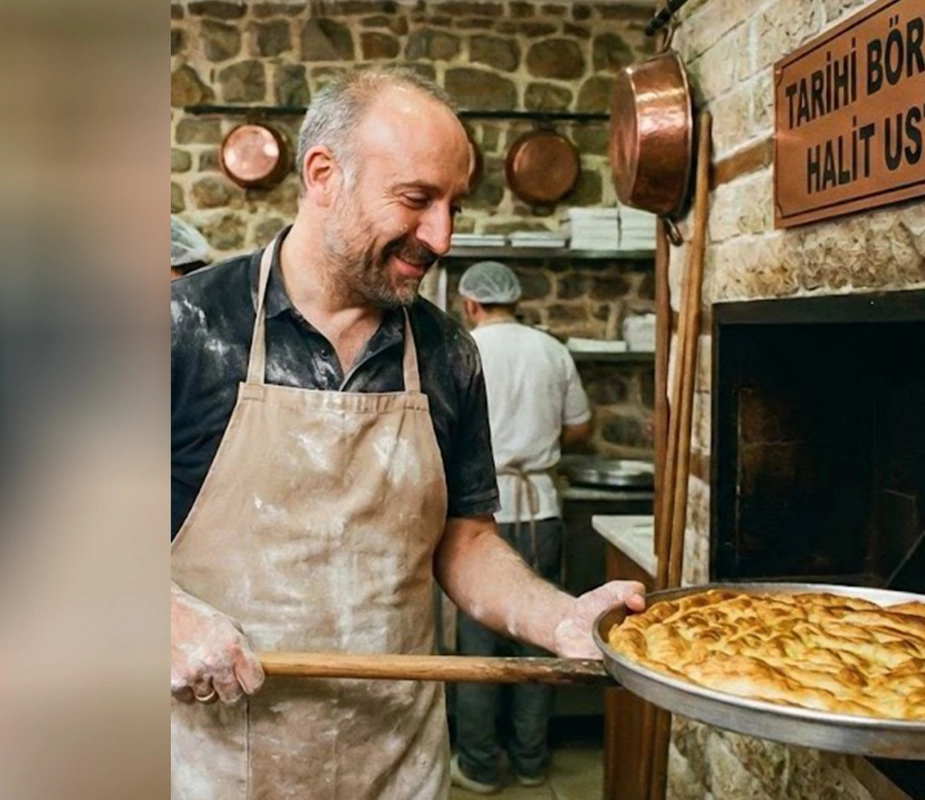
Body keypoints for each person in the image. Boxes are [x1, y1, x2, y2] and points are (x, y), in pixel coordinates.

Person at [169, 66, 644, 800]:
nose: (443, 236)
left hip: (394, 764)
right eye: (417, 200)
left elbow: (466, 540)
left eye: (453, 204)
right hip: (219, 763)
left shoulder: (450, 354)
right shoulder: (185, 327)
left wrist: (558, 618)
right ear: (324, 175)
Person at [450, 261, 593, 794]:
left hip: (478, 514)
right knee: (542, 640)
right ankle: (532, 762)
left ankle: (479, 765)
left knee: (479, 646)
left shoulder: (463, 348)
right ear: (517, 300)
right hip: (541, 508)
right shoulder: (550, 349)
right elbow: (579, 426)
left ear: (471, 303)